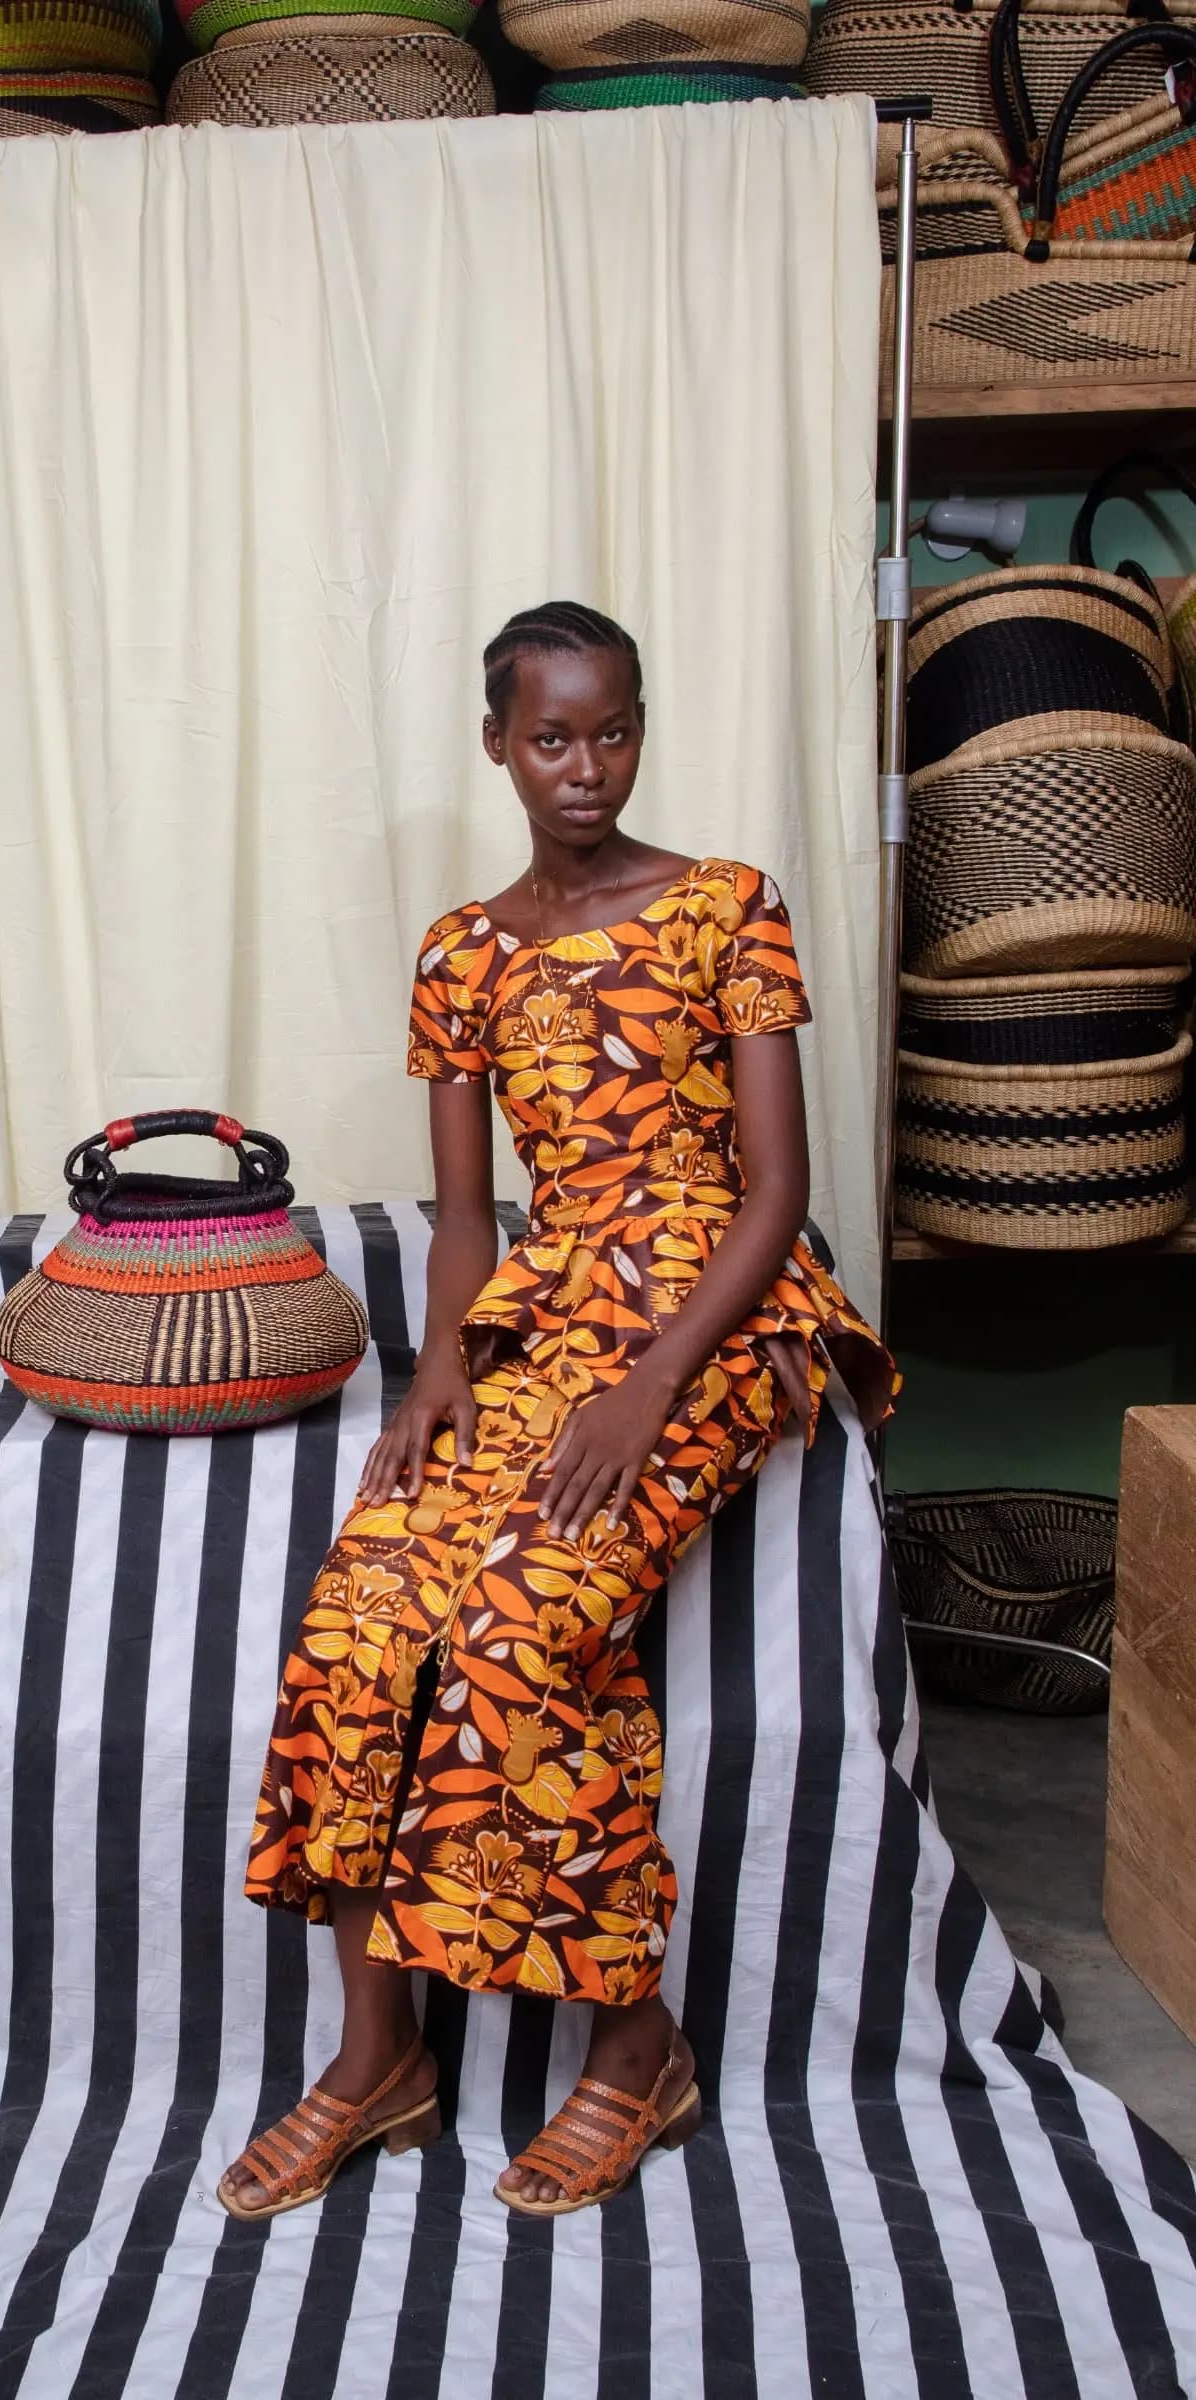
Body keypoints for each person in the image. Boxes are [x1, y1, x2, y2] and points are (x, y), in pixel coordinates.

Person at [221, 601, 896, 2221]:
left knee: (523, 1626)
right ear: (496, 747)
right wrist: (442, 1363)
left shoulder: (728, 905)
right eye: (550, 738)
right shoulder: (464, 950)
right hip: (540, 1321)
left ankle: (636, 2049)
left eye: (611, 732)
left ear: (640, 728)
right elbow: (466, 1215)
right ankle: (376, 2060)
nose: (584, 768)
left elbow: (781, 1191)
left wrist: (657, 1383)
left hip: (714, 1312)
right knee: (361, 1625)